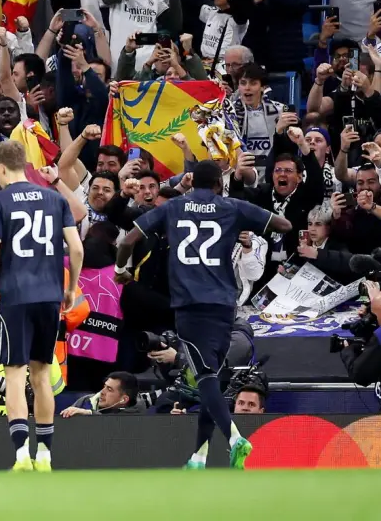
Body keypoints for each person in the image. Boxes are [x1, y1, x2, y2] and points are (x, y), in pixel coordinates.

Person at [116, 160, 291, 469]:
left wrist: (121, 270)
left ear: (191, 181)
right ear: (218, 185)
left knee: (206, 376)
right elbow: (283, 225)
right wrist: (240, 220)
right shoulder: (231, 206)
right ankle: (198, 456)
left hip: (190, 305)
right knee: (209, 377)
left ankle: (235, 437)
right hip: (225, 305)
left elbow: (129, 239)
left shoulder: (173, 208)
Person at [0, 140, 83, 472]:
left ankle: (21, 453)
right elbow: (77, 249)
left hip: (14, 295)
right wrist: (70, 288)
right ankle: (46, 454)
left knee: (14, 374)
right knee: (41, 374)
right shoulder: (55, 198)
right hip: (49, 295)